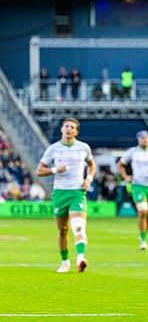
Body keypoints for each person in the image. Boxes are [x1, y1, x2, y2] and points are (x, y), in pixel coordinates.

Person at [36, 117, 96, 273]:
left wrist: (88, 179)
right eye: (66, 126)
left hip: (77, 192)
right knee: (62, 230)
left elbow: (91, 165)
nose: (69, 129)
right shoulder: (53, 149)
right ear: (62, 129)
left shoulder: (83, 148)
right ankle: (64, 261)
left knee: (78, 227)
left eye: (72, 127)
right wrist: (56, 170)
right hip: (60, 193)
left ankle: (80, 258)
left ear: (76, 131)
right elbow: (39, 170)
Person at [117, 130, 148, 250]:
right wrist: (126, 176)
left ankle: (144, 234)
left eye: (146, 138)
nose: (144, 140)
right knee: (142, 211)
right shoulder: (132, 152)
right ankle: (143, 240)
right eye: (142, 138)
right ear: (138, 140)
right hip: (137, 186)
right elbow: (120, 164)